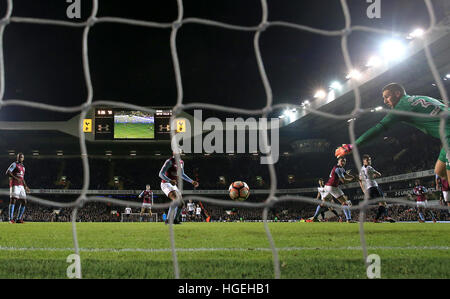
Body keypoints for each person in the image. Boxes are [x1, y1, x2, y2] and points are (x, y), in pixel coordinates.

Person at [335, 83, 450, 182]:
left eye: (387, 97)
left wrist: (352, 146)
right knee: (439, 171)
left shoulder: (401, 107)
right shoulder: (421, 97)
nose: (385, 101)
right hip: (446, 138)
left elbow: (379, 128)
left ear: (397, 93)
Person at [159, 150, 199, 224]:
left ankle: (175, 219)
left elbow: (182, 174)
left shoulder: (181, 162)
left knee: (181, 204)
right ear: (174, 153)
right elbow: (160, 174)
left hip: (173, 184)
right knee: (176, 200)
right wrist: (170, 180)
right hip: (166, 183)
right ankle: (168, 220)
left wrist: (192, 181)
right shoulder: (169, 161)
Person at [358, 154, 395, 223]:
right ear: (364, 161)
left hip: (368, 189)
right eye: (368, 160)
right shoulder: (369, 168)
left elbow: (360, 180)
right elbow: (379, 174)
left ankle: (376, 219)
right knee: (383, 203)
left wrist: (363, 190)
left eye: (370, 160)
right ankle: (386, 216)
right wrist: (374, 175)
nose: (369, 161)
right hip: (374, 187)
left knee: (382, 203)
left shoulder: (361, 169)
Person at [324, 157, 356, 223]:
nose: (343, 162)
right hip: (332, 187)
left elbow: (346, 175)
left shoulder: (341, 168)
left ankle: (315, 217)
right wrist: (353, 179)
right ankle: (348, 219)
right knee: (345, 202)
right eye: (341, 161)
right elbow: (343, 180)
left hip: (328, 186)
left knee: (322, 203)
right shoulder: (337, 169)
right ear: (338, 161)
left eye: (344, 161)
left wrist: (353, 177)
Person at [5, 153, 30, 224]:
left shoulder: (23, 167)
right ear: (17, 158)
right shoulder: (14, 164)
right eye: (19, 157)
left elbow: (22, 178)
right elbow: (8, 172)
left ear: (23, 158)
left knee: (24, 202)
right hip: (14, 184)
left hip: (21, 185)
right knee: (13, 200)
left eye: (21, 157)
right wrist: (16, 178)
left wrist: (26, 186)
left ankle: (19, 219)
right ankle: (10, 219)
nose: (20, 158)